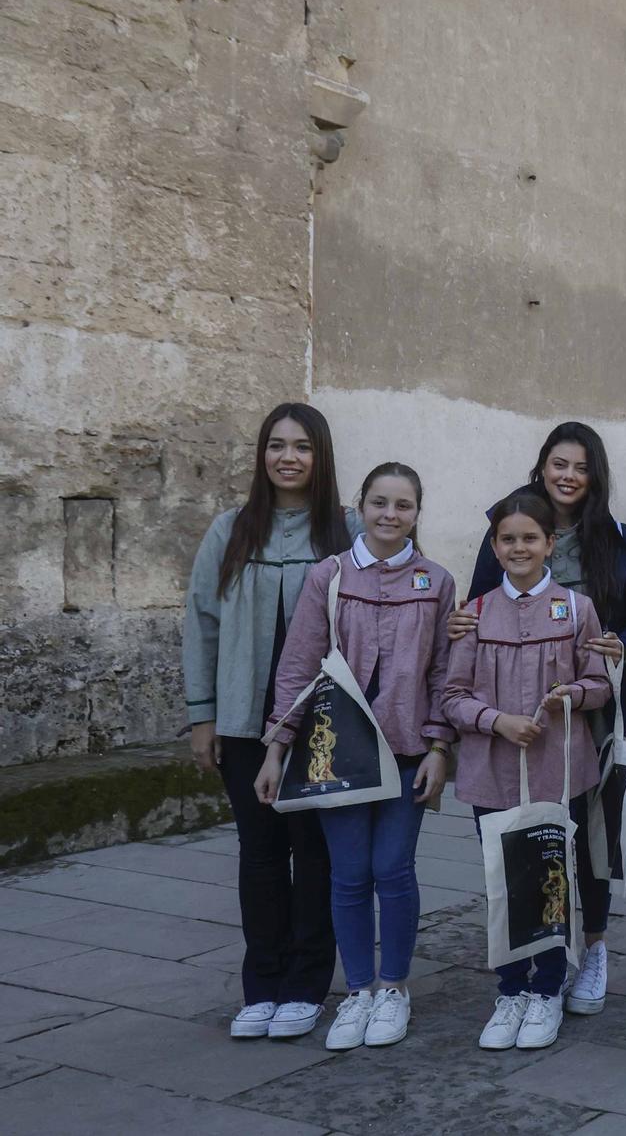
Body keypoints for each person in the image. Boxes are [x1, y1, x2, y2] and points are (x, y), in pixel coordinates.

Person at [456, 422, 626, 1015]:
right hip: (514, 714)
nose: (568, 476)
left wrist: (621, 643)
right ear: (541, 466)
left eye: (581, 467)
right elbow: (476, 610)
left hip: (588, 710)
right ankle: (530, 957)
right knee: (524, 838)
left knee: (589, 838)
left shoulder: (618, 541)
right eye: (558, 464)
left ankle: (589, 948)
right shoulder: (509, 527)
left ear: (595, 476)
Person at [257, 462, 454, 1051]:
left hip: (407, 751)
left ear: (418, 512)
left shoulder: (436, 581)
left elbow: (447, 670)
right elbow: (299, 664)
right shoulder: (330, 575)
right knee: (347, 875)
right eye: (380, 503)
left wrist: (441, 747)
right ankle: (358, 990)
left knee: (392, 869)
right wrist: (276, 747)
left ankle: (393, 987)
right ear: (360, 506)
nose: (390, 515)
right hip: (335, 753)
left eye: (403, 505)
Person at [183, 402, 355, 1042]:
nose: (288, 457)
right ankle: (264, 983)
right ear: (262, 455)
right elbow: (200, 626)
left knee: (315, 854)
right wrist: (203, 718)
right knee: (259, 853)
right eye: (277, 445)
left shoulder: (346, 531)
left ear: (321, 456)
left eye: (303, 447)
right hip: (244, 720)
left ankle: (308, 985)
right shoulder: (230, 530)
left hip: (323, 726)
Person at [441, 494, 611, 1052]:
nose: (519, 548)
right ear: (495, 547)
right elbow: (452, 696)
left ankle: (549, 987)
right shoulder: (475, 612)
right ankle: (511, 988)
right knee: (504, 881)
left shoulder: (575, 608)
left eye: (530, 538)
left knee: (551, 877)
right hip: (492, 769)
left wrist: (575, 695)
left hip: (557, 768)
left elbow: (599, 682)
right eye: (508, 540)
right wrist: (496, 721)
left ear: (550, 545)